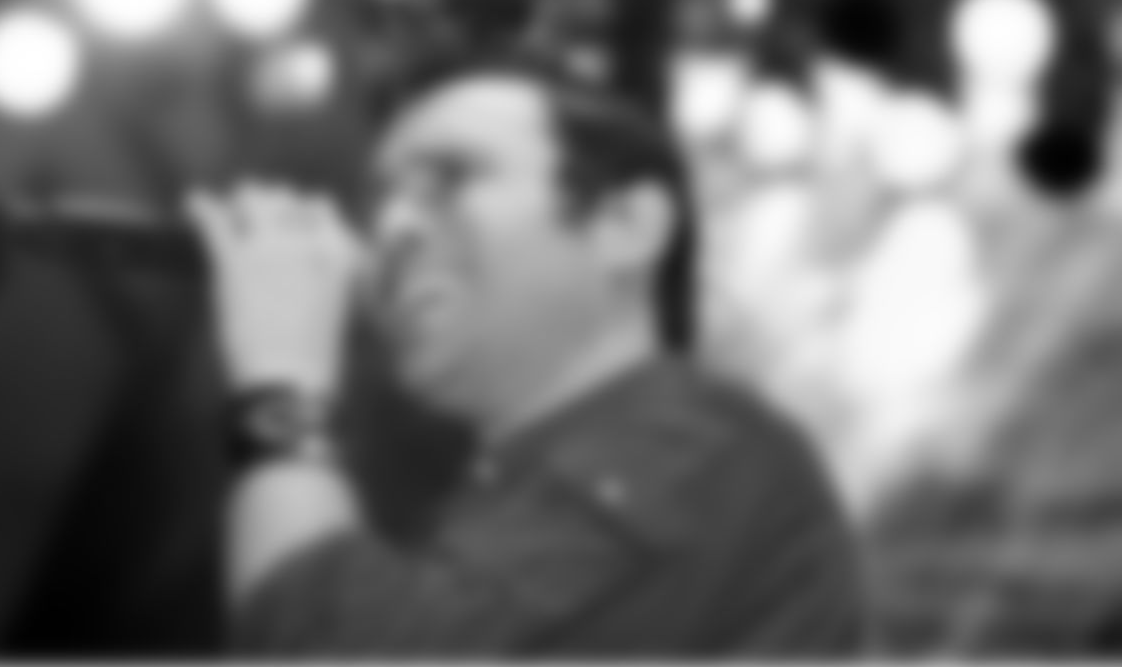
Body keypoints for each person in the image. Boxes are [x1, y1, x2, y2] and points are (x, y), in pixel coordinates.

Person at [192, 54, 869, 657]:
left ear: (626, 225)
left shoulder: (699, 451)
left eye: (447, 179)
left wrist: (281, 380)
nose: (391, 227)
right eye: (384, 199)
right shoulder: (538, 474)